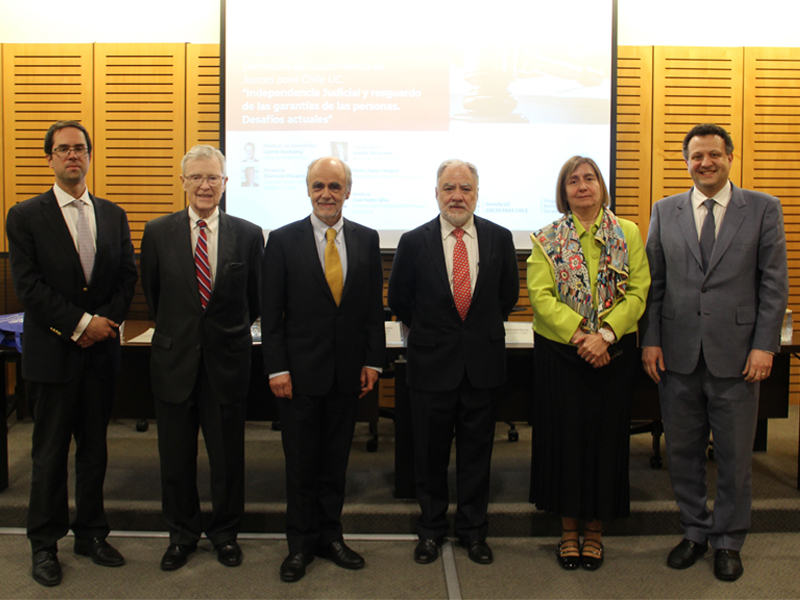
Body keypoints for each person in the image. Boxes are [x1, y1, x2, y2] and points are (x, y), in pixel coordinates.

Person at [640, 123, 789, 582]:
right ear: (686, 162)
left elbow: (773, 284)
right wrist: (650, 339)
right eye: (696, 156)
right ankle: (694, 531)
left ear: (730, 157)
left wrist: (766, 345)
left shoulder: (763, 208)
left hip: (739, 356)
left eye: (714, 155)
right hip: (678, 355)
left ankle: (728, 539)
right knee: (682, 453)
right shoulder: (666, 211)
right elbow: (654, 282)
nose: (705, 163)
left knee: (734, 457)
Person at [6, 120, 137, 586]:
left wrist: (105, 323)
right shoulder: (24, 216)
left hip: (100, 357)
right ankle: (44, 544)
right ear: (50, 159)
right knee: (48, 454)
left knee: (95, 452)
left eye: (80, 148)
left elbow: (126, 276)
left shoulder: (112, 213)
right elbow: (29, 288)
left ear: (89, 155)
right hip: (53, 356)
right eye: (63, 150)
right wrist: (81, 324)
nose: (72, 156)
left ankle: (91, 533)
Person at [388, 159, 519, 566]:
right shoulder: (413, 241)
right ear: (436, 193)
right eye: (449, 188)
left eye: (465, 188)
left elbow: (507, 297)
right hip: (430, 366)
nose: (457, 195)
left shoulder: (499, 238)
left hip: (481, 366)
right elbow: (399, 300)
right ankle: (430, 531)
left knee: (477, 455)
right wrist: (434, 331)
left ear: (477, 193)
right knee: (429, 456)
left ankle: (473, 532)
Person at [140, 145, 263, 571]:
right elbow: (154, 296)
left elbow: (255, 300)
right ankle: (182, 535)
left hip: (227, 363)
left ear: (226, 184)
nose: (205, 185)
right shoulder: (157, 232)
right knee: (175, 457)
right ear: (183, 182)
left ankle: (226, 533)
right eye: (197, 177)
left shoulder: (248, 234)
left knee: (228, 458)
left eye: (213, 178)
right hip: (174, 363)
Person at [262, 157, 385, 583]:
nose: (326, 194)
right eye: (319, 186)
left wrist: (373, 360)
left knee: (335, 463)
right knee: (300, 465)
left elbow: (372, 309)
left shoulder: (367, 240)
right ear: (308, 190)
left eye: (335, 186)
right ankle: (299, 546)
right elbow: (271, 313)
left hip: (348, 374)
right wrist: (276, 368)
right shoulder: (281, 240)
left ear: (348, 191)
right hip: (297, 376)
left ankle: (331, 537)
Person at [527, 156, 650, 571]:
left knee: (605, 440)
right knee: (566, 441)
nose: (582, 186)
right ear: (563, 192)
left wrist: (607, 335)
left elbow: (639, 290)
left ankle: (595, 533)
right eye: (573, 181)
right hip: (563, 353)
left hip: (613, 352)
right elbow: (540, 297)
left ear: (601, 185)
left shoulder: (628, 232)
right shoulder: (546, 238)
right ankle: (567, 532)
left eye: (589, 178)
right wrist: (582, 335)